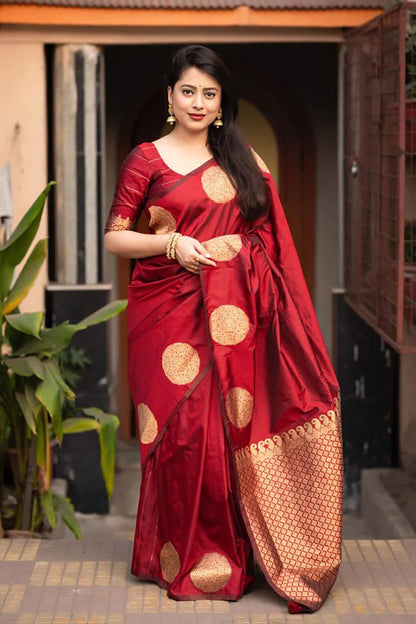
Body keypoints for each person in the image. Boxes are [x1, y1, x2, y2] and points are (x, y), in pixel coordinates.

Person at [104, 44, 343, 614]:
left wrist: (233, 250)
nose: (197, 102)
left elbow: (270, 240)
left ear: (220, 103)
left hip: (233, 319)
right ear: (169, 95)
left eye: (209, 93)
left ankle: (227, 558)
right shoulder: (146, 159)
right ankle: (172, 556)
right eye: (187, 90)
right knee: (182, 439)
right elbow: (116, 236)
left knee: (219, 438)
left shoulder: (240, 157)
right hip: (164, 316)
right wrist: (172, 243)